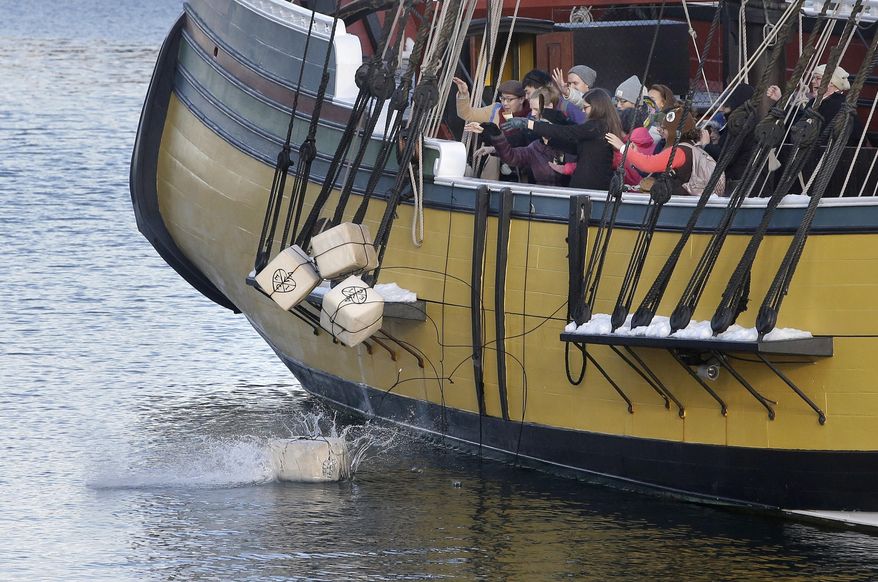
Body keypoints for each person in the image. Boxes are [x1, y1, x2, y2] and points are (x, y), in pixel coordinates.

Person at [504, 88, 622, 190]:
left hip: (592, 187)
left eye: (585, 107)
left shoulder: (597, 126)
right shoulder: (599, 127)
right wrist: (550, 141)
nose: (583, 111)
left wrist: (529, 124)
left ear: (597, 107)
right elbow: (576, 148)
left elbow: (567, 132)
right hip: (588, 186)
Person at [466, 86, 571, 186]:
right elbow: (512, 153)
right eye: (532, 109)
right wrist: (492, 133)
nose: (533, 114)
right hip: (540, 196)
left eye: (536, 109)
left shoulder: (569, 134)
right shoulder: (535, 145)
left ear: (550, 107)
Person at [606, 105, 717, 196]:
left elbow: (648, 164)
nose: (660, 130)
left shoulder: (680, 152)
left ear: (675, 131)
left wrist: (622, 147)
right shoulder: (690, 147)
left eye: (665, 128)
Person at [766, 64, 862, 145]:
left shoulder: (839, 105)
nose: (812, 81)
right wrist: (781, 100)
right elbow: (799, 121)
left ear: (832, 83)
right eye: (813, 78)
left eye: (818, 78)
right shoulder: (815, 102)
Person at [452, 77, 531, 146]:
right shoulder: (495, 110)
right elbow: (466, 114)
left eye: (509, 99)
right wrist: (463, 94)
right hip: (497, 159)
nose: (505, 103)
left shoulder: (532, 115)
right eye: (502, 99)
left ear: (521, 99)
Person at [702, 83, 755, 182]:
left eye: (726, 104)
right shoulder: (745, 120)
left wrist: (706, 145)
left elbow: (727, 158)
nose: (721, 108)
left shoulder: (738, 123)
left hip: (735, 180)